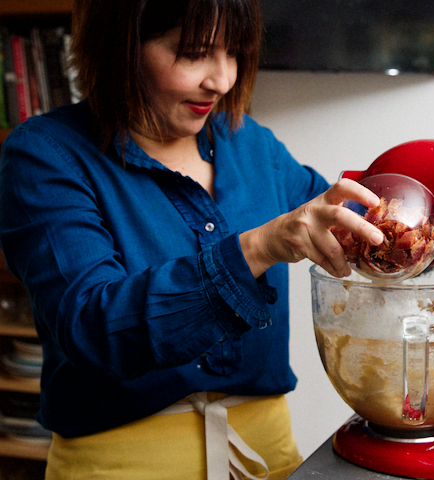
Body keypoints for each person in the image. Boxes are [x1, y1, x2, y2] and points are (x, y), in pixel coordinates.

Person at [0, 0, 383, 478]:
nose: (221, 80)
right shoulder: (46, 154)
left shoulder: (249, 141)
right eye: (193, 52)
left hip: (268, 459)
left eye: (235, 53)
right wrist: (257, 248)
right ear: (121, 46)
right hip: (119, 467)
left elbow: (346, 223)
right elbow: (94, 328)